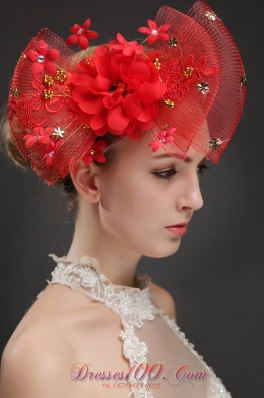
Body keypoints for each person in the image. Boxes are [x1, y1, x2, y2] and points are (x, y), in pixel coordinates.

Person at [0, 1, 246, 397]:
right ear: (89, 180)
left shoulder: (159, 306)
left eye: (197, 169)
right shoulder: (42, 355)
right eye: (165, 172)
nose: (195, 200)